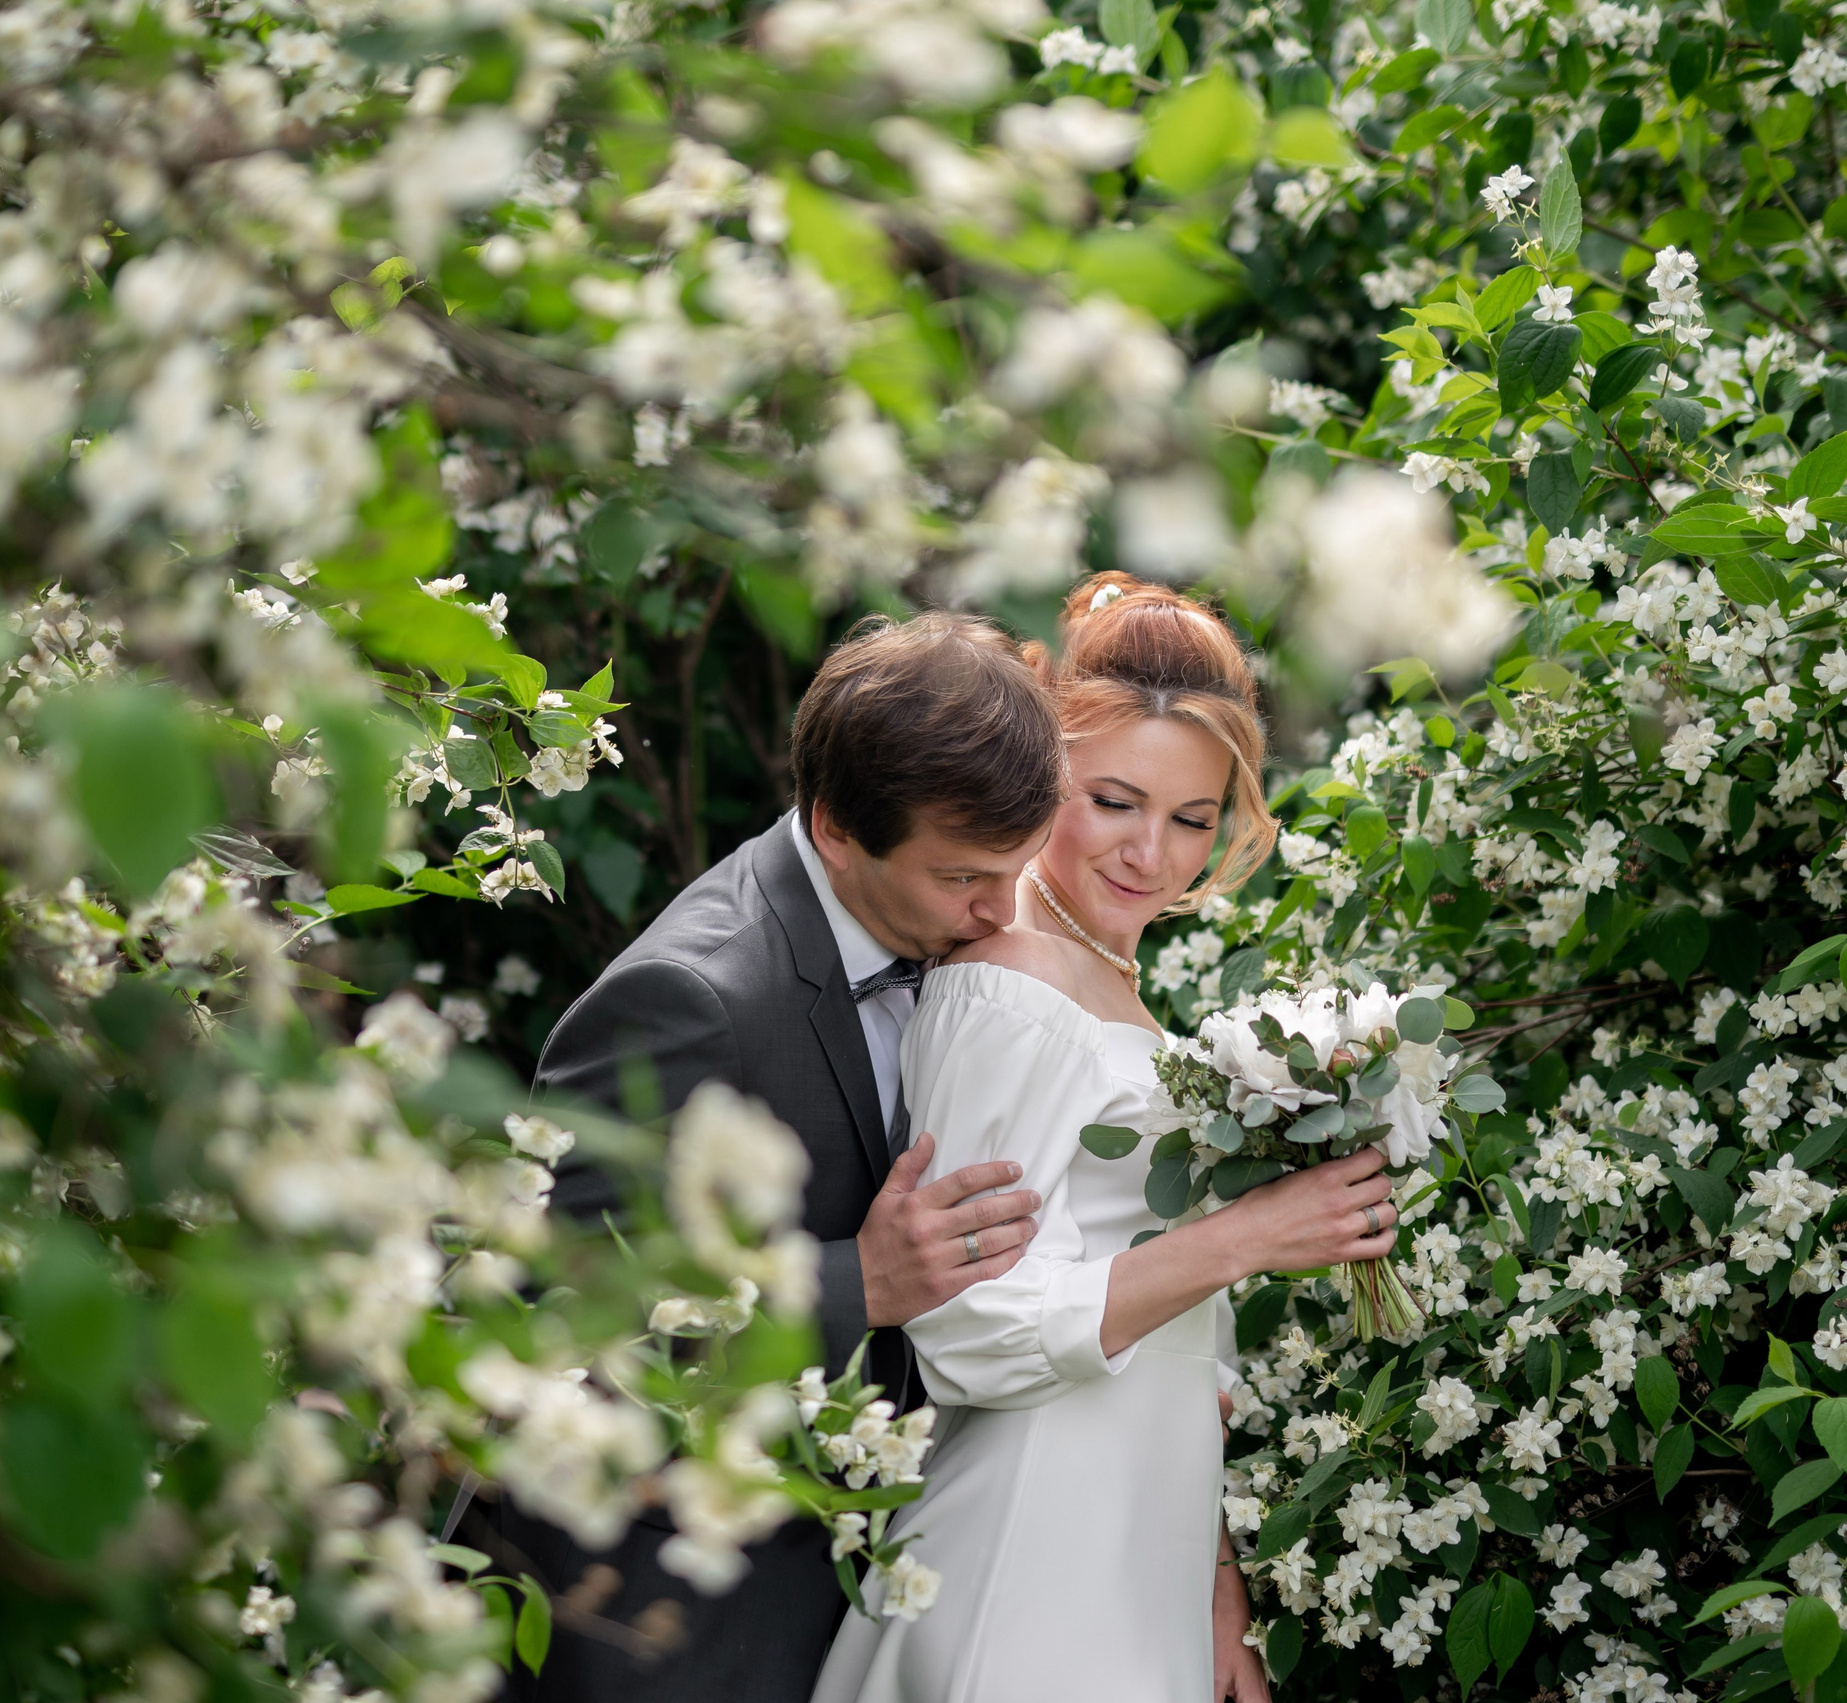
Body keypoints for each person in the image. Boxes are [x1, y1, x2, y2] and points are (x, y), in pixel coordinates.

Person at [813, 574, 1402, 1703]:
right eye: (1115, 802)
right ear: (1043, 776)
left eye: (1191, 819)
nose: (1153, 856)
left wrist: (1212, 1577)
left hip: (1141, 1538)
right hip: (1031, 1543)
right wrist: (1247, 1235)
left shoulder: (1107, 979)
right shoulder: (1004, 987)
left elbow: (1153, 1322)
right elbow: (967, 1329)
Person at [495, 610, 1073, 1703]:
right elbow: (561, 1329)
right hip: (690, 1630)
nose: (1002, 909)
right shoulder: (685, 999)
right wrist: (862, 1280)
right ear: (838, 827)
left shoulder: (947, 923)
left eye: (1016, 868)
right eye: (963, 878)